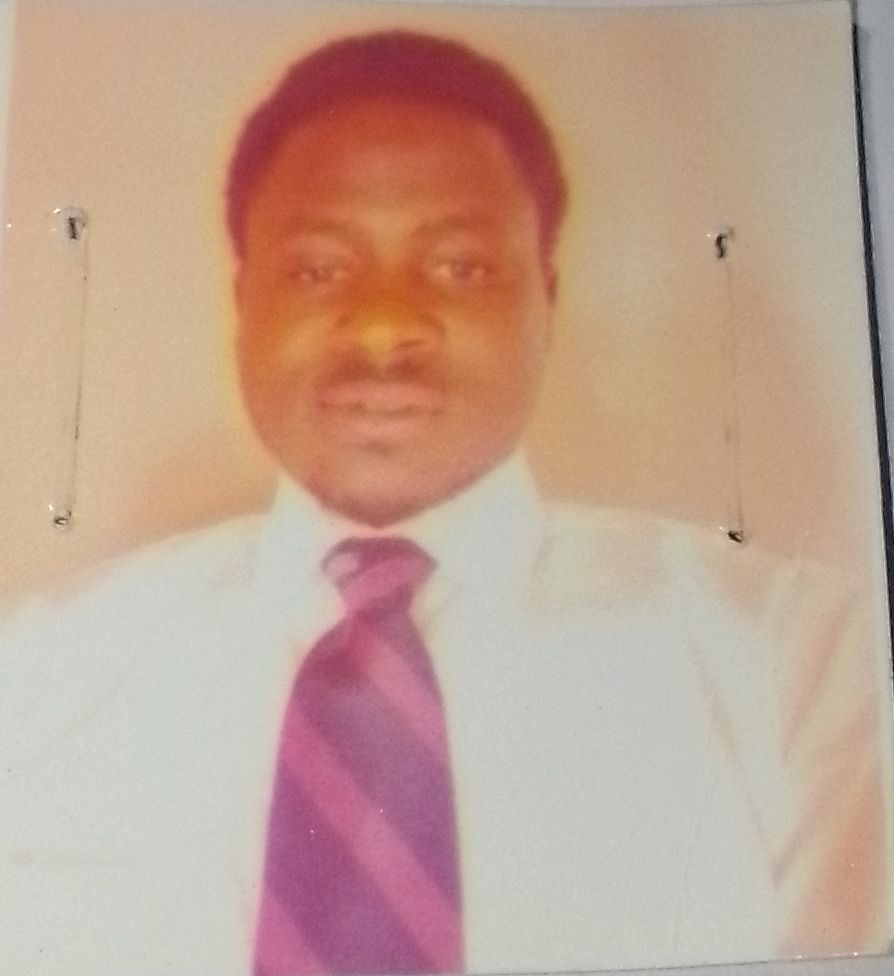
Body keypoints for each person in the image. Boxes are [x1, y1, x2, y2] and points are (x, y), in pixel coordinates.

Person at [0, 29, 889, 976]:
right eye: (317, 269)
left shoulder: (797, 662)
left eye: (460, 267)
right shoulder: (44, 672)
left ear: (546, 299)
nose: (385, 327)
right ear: (244, 301)